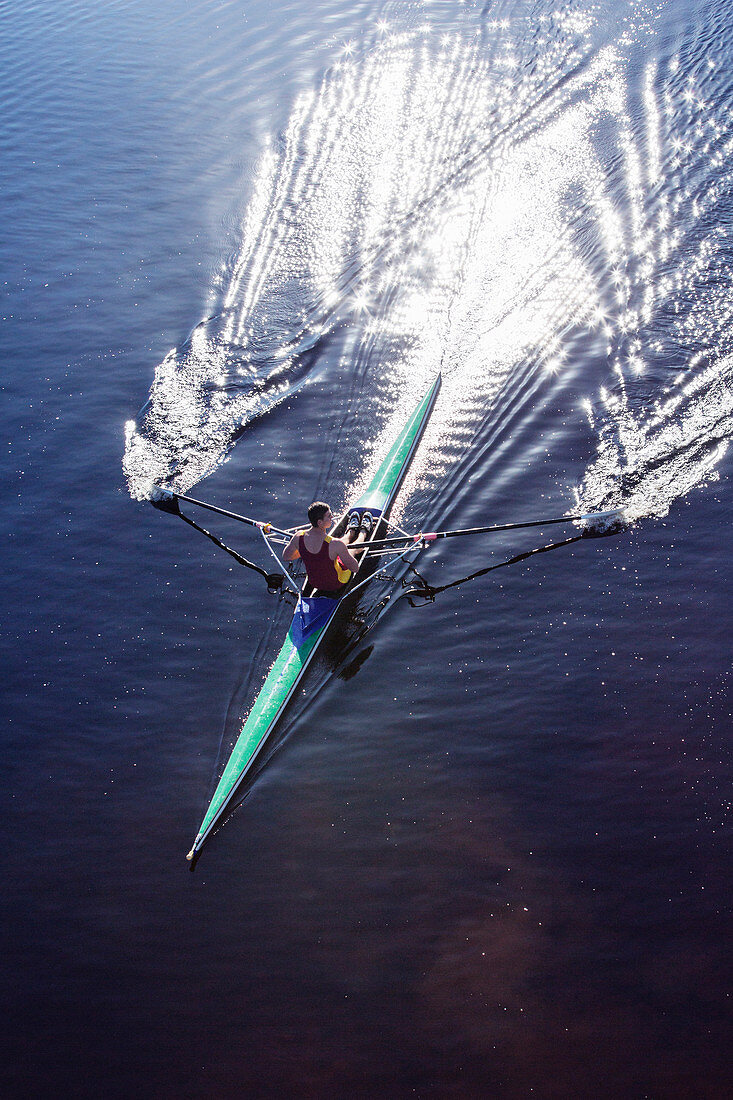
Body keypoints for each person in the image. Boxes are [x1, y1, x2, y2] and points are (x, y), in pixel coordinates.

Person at [283, 502, 374, 594]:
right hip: (336, 583)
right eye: (329, 516)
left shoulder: (298, 536)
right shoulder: (335, 543)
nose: (332, 517)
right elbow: (355, 568)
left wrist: (305, 551)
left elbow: (287, 556)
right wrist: (343, 552)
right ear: (320, 522)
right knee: (351, 550)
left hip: (315, 582)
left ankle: (351, 531)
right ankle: (363, 531)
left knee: (339, 545)